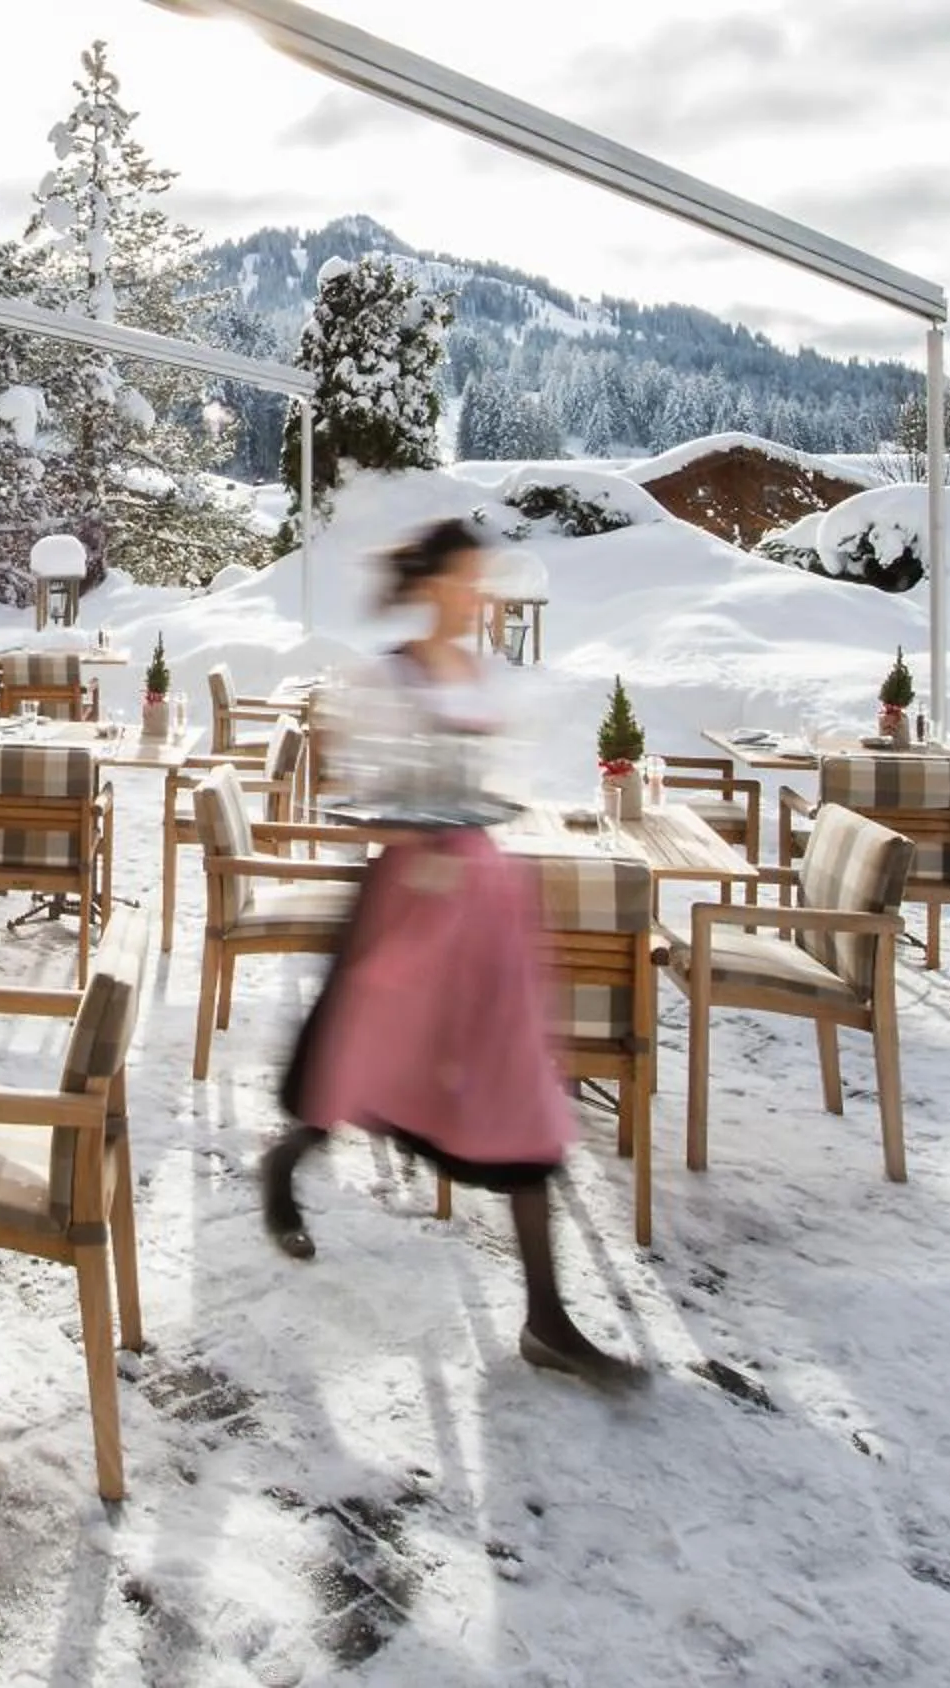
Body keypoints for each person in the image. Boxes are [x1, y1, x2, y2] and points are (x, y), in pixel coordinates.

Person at [267, 517, 644, 1390]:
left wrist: (483, 806)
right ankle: (284, 1165)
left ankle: (547, 1318)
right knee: (355, 1066)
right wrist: (420, 826)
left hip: (482, 903)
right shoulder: (386, 680)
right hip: (411, 899)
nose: (482, 597)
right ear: (435, 584)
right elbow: (361, 793)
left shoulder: (480, 674)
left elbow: (496, 779)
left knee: (516, 1095)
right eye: (471, 580)